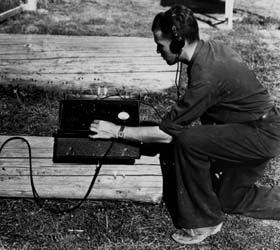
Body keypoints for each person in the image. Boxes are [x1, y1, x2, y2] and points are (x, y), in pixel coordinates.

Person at [89, 5, 280, 245]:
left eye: (161, 45)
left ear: (178, 44)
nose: (158, 51)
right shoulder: (210, 51)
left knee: (187, 141)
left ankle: (205, 222)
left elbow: (166, 133)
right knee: (231, 199)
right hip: (259, 128)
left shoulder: (206, 76)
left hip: (260, 135)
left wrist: (115, 131)